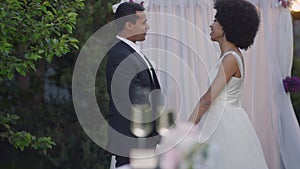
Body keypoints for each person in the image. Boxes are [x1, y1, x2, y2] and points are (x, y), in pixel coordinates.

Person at [188, 0, 269, 168]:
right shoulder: (230, 56)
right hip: (221, 120)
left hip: (224, 124)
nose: (211, 25)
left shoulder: (231, 58)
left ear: (227, 25)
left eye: (216, 20)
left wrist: (185, 128)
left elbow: (207, 100)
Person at [105, 2, 161, 168]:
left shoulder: (129, 51)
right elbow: (132, 102)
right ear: (129, 25)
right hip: (132, 142)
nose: (148, 26)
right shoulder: (120, 55)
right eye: (143, 22)